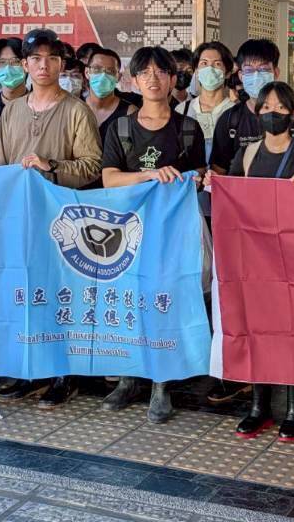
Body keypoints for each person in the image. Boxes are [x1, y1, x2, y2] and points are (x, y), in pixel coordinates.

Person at [204, 81, 294, 442]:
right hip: (253, 262)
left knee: (293, 333)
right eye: (266, 106)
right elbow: (232, 199)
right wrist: (215, 184)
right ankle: (258, 407)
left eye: (281, 107)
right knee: (256, 330)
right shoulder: (249, 154)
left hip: (292, 261)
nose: (273, 113)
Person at [0, 32, 103, 408]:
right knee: (28, 294)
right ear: (25, 65)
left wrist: (50, 166)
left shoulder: (76, 110)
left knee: (61, 294)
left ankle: (63, 374)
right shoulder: (12, 110)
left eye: (51, 58)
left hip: (63, 221)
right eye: (35, 59)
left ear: (61, 64)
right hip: (22, 221)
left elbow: (91, 168)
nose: (43, 65)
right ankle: (30, 370)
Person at [99, 46, 207, 424]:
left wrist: (189, 179)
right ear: (133, 80)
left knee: (165, 302)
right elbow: (109, 178)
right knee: (129, 301)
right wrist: (148, 175)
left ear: (174, 79)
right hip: (127, 236)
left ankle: (162, 383)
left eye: (161, 72)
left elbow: (199, 180)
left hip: (172, 237)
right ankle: (129, 378)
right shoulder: (121, 128)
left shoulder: (189, 129)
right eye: (144, 73)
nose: (153, 79)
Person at [210, 38, 294, 177]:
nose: (256, 75)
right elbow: (220, 173)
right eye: (249, 70)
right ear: (241, 76)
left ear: (276, 72)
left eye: (263, 69)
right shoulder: (230, 119)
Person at [177, 41, 236, 163]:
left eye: (217, 64)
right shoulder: (182, 110)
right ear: (196, 71)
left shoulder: (236, 113)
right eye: (204, 63)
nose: (210, 68)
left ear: (228, 73)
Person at [85, 47, 135, 146]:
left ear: (118, 77)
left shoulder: (128, 113)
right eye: (96, 69)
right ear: (87, 72)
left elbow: (127, 149)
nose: (103, 75)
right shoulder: (74, 109)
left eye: (110, 71)